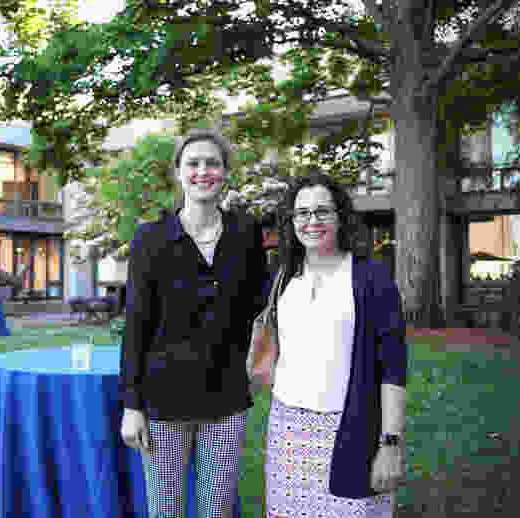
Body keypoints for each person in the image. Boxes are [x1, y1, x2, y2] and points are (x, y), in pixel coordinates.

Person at [119, 128, 268, 518]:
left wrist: (257, 360)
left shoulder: (246, 233)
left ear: (226, 172)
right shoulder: (150, 239)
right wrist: (132, 405)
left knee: (216, 508)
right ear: (178, 172)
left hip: (226, 398)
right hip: (163, 400)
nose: (203, 172)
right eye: (193, 163)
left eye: (213, 163)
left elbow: (259, 306)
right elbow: (136, 325)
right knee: (166, 509)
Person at [264, 170, 407, 518]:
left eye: (322, 211)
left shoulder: (372, 278)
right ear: (292, 221)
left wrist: (390, 443)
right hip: (287, 429)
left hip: (350, 428)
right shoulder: (283, 276)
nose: (312, 221)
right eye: (302, 213)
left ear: (340, 217)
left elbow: (393, 368)